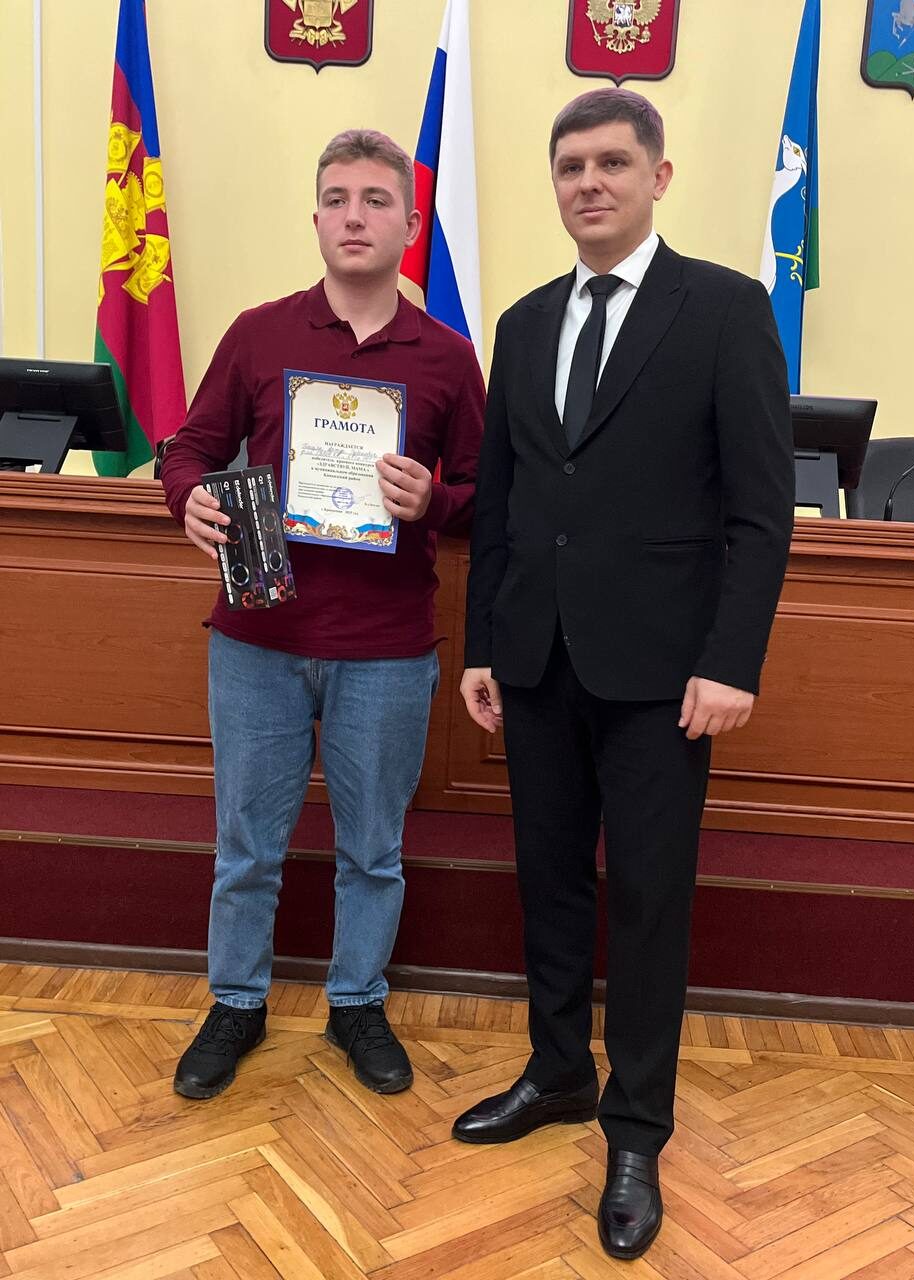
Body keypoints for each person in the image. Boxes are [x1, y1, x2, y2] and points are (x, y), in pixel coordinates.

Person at [454, 88, 794, 1261]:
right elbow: (502, 504)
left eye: (610, 162)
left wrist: (732, 660)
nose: (588, 183)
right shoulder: (523, 323)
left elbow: (761, 511)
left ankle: (636, 1127)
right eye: (570, 167)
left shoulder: (727, 308)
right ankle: (557, 1069)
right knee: (549, 880)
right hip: (536, 658)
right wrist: (483, 643)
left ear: (658, 175)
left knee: (648, 900)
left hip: (664, 678)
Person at [161, 129, 484, 1102]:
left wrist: (435, 501)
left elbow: (488, 494)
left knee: (372, 850)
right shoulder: (259, 335)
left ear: (409, 225)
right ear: (315, 219)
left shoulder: (448, 357)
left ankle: (356, 1001)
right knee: (246, 847)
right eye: (338, 198)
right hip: (257, 639)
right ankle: (236, 1002)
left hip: (385, 652)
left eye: (376, 199)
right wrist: (186, 498)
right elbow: (189, 447)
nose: (355, 215)